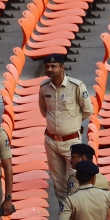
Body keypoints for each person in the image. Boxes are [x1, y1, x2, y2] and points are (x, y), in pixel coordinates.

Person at [38, 54, 93, 203]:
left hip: (71, 142)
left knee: (74, 179)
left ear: (62, 67)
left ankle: (76, 213)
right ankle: (65, 214)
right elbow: (44, 110)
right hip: (51, 140)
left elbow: (88, 110)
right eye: (47, 66)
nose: (50, 69)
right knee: (58, 182)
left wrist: (72, 122)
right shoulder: (44, 88)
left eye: (53, 66)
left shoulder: (76, 86)